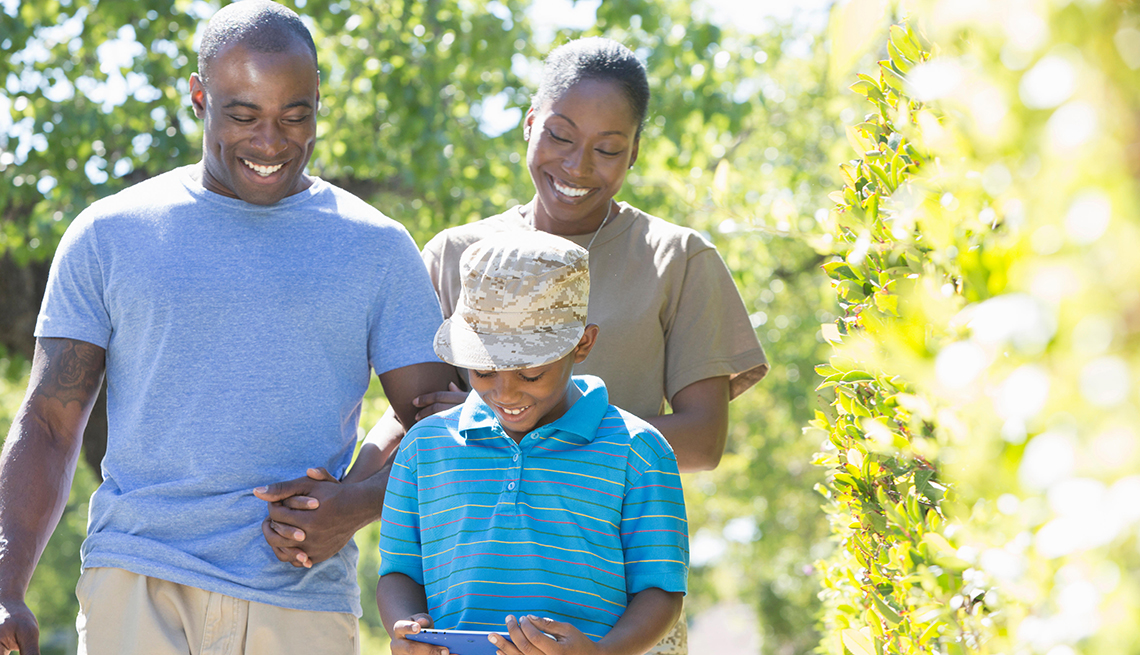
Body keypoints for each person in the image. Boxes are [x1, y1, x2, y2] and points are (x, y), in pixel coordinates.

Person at [0, 2, 457, 654]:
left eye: (295, 116)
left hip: (300, 596)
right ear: (198, 96)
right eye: (243, 115)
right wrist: (5, 581)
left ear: (319, 102)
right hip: (137, 581)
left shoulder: (377, 248)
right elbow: (47, 421)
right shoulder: (109, 234)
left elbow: (437, 422)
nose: (271, 142)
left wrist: (356, 504)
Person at [407, 36, 769, 654]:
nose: (577, 167)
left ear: (633, 153)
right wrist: (341, 499)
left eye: (608, 149)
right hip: (475, 597)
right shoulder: (457, 255)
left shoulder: (677, 259)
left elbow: (703, 439)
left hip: (615, 602)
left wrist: (551, 434)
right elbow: (420, 425)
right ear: (528, 124)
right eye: (560, 136)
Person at [377, 232, 689, 655]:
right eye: (484, 372)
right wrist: (407, 630)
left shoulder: (639, 451)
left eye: (529, 375)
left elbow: (661, 590)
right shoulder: (425, 448)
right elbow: (399, 573)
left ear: (583, 343)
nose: (505, 394)